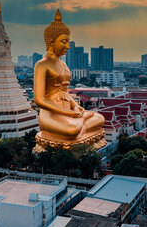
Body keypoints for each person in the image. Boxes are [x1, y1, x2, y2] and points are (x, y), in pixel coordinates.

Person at [34, 9, 106, 150]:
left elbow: (64, 93)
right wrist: (69, 113)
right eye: (63, 42)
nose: (67, 46)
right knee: (71, 130)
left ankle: (81, 122)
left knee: (100, 119)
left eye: (68, 42)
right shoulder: (41, 65)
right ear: (51, 41)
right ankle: (81, 123)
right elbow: (39, 100)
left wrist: (75, 106)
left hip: (69, 112)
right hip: (51, 115)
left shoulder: (63, 64)